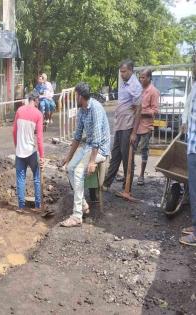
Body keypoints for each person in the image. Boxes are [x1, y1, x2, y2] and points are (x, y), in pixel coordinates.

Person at [60, 82, 111, 227]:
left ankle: (77, 216)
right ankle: (82, 203)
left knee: (78, 172)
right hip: (88, 146)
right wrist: (67, 158)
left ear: (81, 96)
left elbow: (96, 140)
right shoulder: (82, 110)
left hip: (100, 149)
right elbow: (77, 137)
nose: (74, 97)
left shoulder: (95, 109)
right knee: (70, 168)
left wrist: (92, 162)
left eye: (76, 95)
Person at [103, 60, 142, 192]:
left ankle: (127, 188)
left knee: (127, 158)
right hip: (119, 125)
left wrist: (134, 133)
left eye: (124, 71)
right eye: (120, 71)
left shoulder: (135, 86)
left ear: (131, 70)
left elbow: (138, 111)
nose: (122, 74)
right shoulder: (124, 83)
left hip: (128, 126)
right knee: (115, 155)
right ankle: (107, 184)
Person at [12, 90, 44, 212]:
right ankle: (37, 205)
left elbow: (14, 131)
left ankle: (21, 206)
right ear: (35, 100)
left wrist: (17, 146)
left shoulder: (19, 110)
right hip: (31, 151)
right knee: (36, 177)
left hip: (19, 151)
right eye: (38, 101)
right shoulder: (38, 114)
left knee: (20, 178)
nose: (38, 103)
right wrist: (42, 156)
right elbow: (40, 138)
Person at [132, 69, 159, 186]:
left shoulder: (153, 91)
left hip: (146, 127)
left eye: (143, 77)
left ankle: (141, 175)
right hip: (135, 126)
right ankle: (129, 174)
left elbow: (155, 111)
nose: (141, 79)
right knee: (130, 149)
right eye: (140, 77)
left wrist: (140, 113)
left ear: (149, 78)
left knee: (144, 151)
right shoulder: (139, 90)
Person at [179, 69, 196, 246]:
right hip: (192, 144)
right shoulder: (194, 86)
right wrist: (184, 122)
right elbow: (189, 108)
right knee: (193, 189)